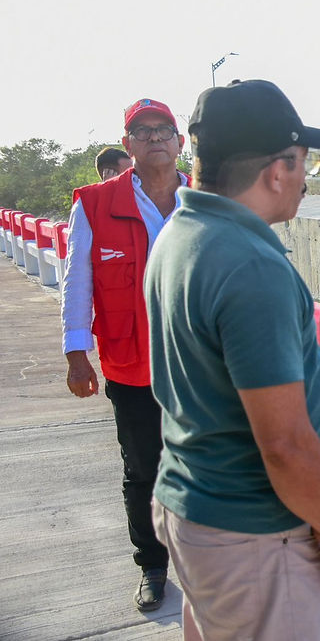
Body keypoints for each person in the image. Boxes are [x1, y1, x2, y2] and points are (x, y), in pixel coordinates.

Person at [145, 79, 320, 641]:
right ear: (278, 169)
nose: (307, 179)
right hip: (253, 538)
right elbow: (285, 444)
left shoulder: (180, 233)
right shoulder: (250, 265)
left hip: (195, 509)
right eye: (305, 162)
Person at [61, 98, 187, 611]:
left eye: (164, 130)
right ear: (127, 144)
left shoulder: (206, 199)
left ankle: (206, 559)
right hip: (131, 366)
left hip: (199, 368)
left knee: (210, 466)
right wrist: (76, 351)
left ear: (180, 142)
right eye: (143, 131)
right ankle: (152, 566)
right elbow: (77, 278)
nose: (154, 138)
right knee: (143, 470)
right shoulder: (95, 204)